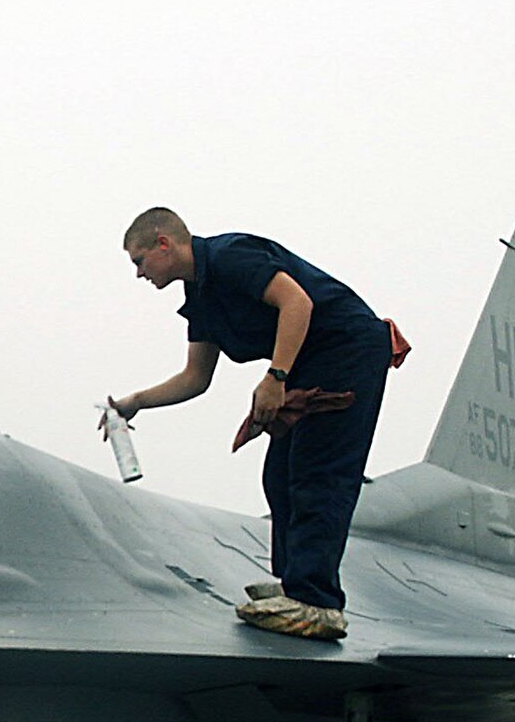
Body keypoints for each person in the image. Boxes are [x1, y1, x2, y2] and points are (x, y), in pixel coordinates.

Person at [106, 207, 392, 641]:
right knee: (278, 477)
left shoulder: (231, 255)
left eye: (139, 262)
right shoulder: (200, 301)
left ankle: (316, 601)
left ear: (163, 244)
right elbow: (194, 379)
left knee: (317, 473)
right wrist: (135, 403)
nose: (139, 275)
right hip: (305, 365)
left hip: (345, 351)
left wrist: (275, 377)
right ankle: (294, 583)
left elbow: (297, 302)